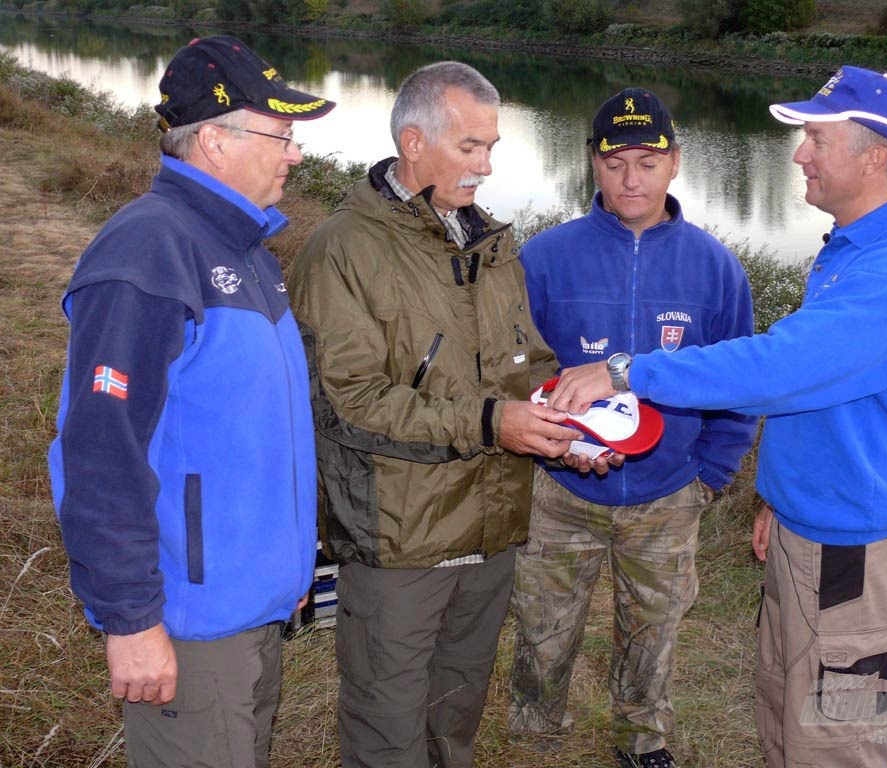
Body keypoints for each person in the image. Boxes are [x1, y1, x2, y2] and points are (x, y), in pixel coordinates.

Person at [545, 65, 887, 767]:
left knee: (837, 739)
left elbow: (774, 370)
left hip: (850, 560)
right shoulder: (853, 249)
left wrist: (624, 370)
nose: (800, 154)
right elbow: (816, 394)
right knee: (783, 710)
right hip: (811, 532)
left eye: (816, 140)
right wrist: (778, 495)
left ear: (874, 156)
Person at [47, 36, 334, 768]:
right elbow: (99, 453)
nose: (294, 155)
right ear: (213, 141)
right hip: (189, 626)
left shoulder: (247, 253)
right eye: (282, 136)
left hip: (250, 611)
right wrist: (132, 620)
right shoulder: (147, 254)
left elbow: (253, 435)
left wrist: (285, 568)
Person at [287, 61, 580, 768]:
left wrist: (568, 425)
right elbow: (348, 403)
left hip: (491, 528)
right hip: (400, 540)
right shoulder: (343, 249)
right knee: (387, 728)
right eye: (470, 147)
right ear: (414, 143)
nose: (486, 166)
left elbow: (527, 364)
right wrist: (490, 424)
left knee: (454, 717)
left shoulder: (490, 242)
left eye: (492, 147)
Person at [507, 87, 758, 768]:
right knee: (542, 626)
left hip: (667, 494)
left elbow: (740, 380)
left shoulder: (716, 267)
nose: (631, 177)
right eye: (616, 161)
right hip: (560, 490)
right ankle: (534, 729)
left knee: (653, 630)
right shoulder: (546, 256)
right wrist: (553, 444)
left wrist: (709, 475)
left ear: (675, 163)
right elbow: (515, 369)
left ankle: (640, 737)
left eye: (648, 161)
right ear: (592, 162)